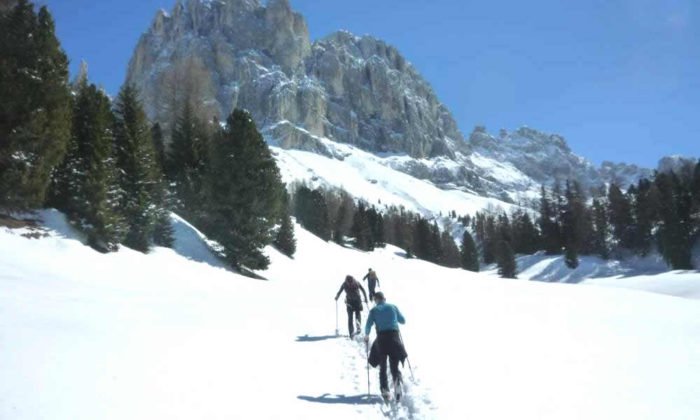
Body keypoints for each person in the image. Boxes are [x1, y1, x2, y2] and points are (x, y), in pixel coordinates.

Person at [364, 292, 407, 401]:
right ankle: (397, 380)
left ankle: (385, 389)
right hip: (394, 339)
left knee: (383, 367)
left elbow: (368, 325)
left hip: (382, 341)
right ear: (384, 299)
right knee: (394, 366)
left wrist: (366, 335)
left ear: (376, 300)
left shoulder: (374, 311)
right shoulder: (392, 307)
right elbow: (403, 321)